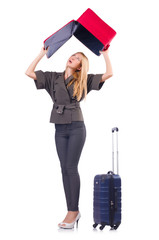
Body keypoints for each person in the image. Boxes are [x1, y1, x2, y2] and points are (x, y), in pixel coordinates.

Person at [25, 46, 113, 229]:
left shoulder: (83, 79)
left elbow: (109, 73)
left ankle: (73, 211)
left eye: (77, 58)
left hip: (76, 128)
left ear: (81, 67)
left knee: (71, 168)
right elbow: (29, 72)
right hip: (59, 127)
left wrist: (105, 54)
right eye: (72, 55)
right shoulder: (52, 77)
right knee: (64, 169)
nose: (72, 58)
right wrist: (43, 53)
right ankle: (72, 210)